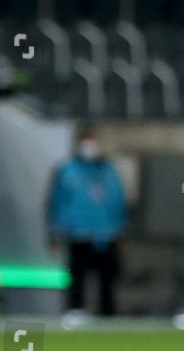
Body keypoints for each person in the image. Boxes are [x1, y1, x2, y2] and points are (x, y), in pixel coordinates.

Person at [48, 128, 128, 315]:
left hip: (106, 235)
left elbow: (118, 201)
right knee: (77, 278)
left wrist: (121, 230)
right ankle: (76, 311)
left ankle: (108, 315)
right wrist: (55, 230)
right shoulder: (68, 171)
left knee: (107, 280)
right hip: (79, 233)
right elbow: (57, 202)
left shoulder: (108, 171)